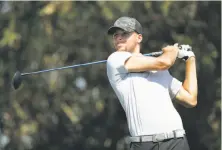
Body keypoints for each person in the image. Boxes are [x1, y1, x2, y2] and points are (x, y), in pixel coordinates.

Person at [106, 16, 198, 150]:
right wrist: (172, 51)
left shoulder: (159, 70)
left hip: (177, 141)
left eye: (124, 33)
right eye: (115, 35)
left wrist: (190, 59)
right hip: (144, 144)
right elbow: (164, 62)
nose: (118, 38)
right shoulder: (115, 60)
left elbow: (190, 99)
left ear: (139, 38)